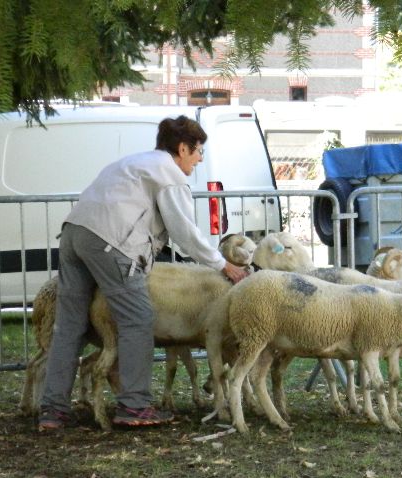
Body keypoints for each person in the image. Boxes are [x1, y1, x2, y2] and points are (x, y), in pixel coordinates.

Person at [37, 115, 249, 431]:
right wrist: (223, 264)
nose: (200, 158)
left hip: (73, 234)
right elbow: (185, 232)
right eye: (198, 151)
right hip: (112, 241)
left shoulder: (133, 162)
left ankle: (53, 411)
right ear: (182, 148)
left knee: (70, 325)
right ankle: (134, 406)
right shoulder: (169, 173)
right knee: (137, 318)